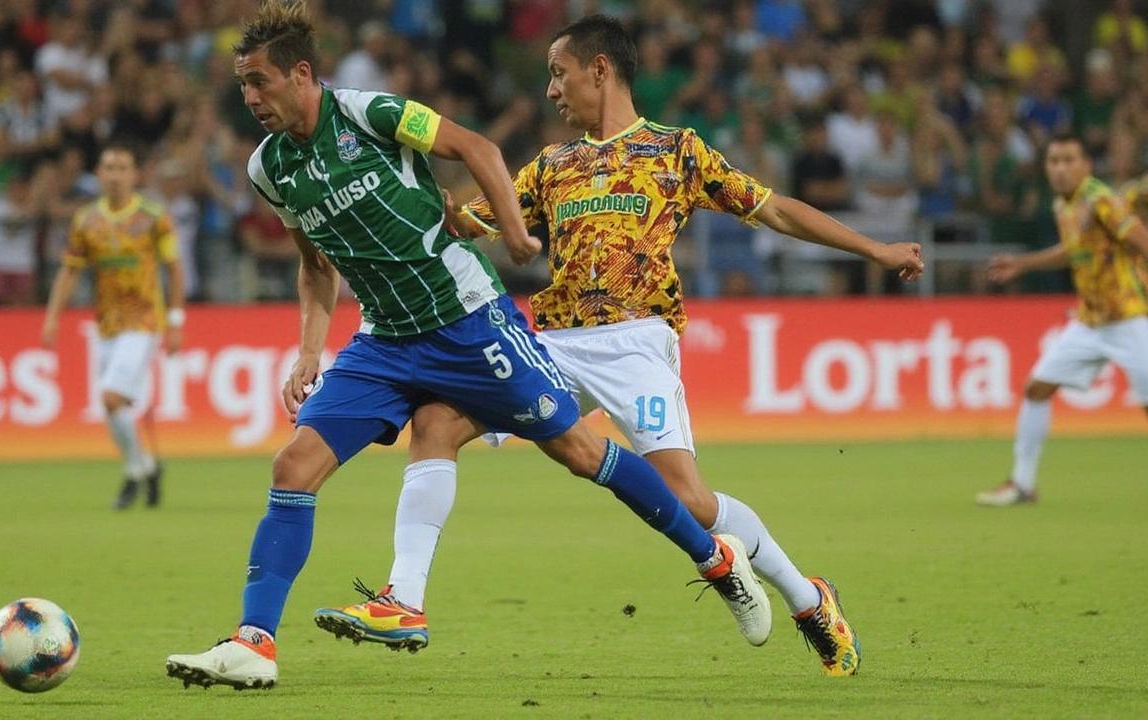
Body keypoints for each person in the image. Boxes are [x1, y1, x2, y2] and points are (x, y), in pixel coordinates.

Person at [164, 1, 771, 692]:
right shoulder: (270, 167)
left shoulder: (374, 114)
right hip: (383, 342)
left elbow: (478, 148)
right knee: (292, 465)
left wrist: (514, 237)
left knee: (576, 451)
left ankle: (715, 558)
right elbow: (314, 263)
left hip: (468, 321)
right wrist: (310, 349)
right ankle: (256, 642)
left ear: (301, 74)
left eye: (260, 82)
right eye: (242, 85)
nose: (250, 98)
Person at [313, 13, 924, 677]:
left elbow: (773, 208)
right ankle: (405, 597)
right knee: (435, 422)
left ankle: (809, 599)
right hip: (554, 344)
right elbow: (469, 220)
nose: (551, 90)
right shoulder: (551, 166)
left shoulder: (677, 150)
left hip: (637, 341)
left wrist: (875, 248)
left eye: (558, 73)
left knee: (690, 501)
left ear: (598, 70)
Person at [976, 133, 1148, 506]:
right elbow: (1075, 252)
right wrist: (1023, 263)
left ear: (1086, 165)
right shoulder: (1063, 206)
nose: (1060, 168)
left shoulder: (1100, 200)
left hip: (1131, 317)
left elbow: (1139, 238)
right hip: (1090, 321)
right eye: (1054, 161)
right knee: (1037, 388)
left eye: (1069, 160)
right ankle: (1022, 484)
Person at [41, 143, 185, 510]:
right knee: (113, 408)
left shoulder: (154, 216)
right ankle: (147, 467)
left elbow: (174, 268)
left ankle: (135, 473)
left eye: (122, 167)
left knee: (111, 397)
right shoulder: (86, 220)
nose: (115, 174)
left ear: (135, 175)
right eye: (108, 167)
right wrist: (53, 316)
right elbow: (70, 270)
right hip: (105, 325)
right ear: (99, 174)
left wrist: (175, 321)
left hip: (144, 321)